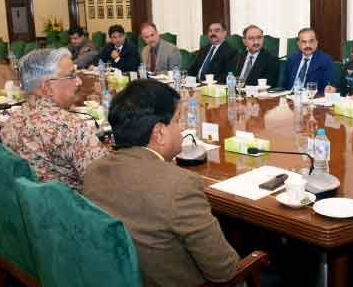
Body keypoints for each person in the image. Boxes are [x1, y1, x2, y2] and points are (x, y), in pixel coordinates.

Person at [83, 80, 240, 287]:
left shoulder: (94, 170)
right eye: (178, 120)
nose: (183, 127)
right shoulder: (179, 186)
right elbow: (224, 271)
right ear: (159, 133)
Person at [1, 48, 108, 191]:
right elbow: (106, 183)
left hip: (31, 202)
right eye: (72, 75)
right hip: (73, 203)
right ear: (47, 87)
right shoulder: (70, 127)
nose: (79, 81)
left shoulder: (11, 122)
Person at [283, 28, 335, 92]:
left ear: (316, 43)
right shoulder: (292, 59)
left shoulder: (326, 61)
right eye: (304, 42)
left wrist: (330, 89)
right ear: (298, 44)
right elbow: (285, 85)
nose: (308, 45)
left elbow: (329, 87)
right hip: (290, 96)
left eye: (311, 41)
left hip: (312, 97)